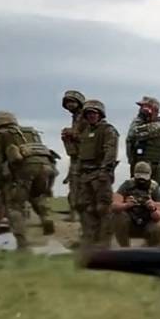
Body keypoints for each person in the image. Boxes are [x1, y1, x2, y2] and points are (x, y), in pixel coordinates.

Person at [0, 110, 57, 248]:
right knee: (37, 196)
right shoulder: (31, 132)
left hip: (23, 170)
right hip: (46, 167)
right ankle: (46, 217)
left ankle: (22, 244)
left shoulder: (0, 135)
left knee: (14, 207)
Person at [73, 99, 119, 250]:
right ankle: (90, 241)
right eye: (88, 113)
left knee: (103, 209)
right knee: (86, 209)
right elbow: (80, 154)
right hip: (85, 175)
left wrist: (104, 171)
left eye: (94, 113)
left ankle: (104, 244)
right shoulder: (85, 132)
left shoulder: (108, 130)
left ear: (100, 114)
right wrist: (77, 173)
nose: (91, 116)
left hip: (100, 174)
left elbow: (110, 151)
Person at [110, 161, 160, 246]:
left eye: (144, 177)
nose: (142, 180)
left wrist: (152, 208)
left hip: (147, 223)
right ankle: (125, 250)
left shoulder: (155, 188)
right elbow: (113, 206)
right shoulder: (127, 185)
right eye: (139, 176)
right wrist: (126, 205)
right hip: (130, 223)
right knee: (118, 217)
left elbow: (158, 216)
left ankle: (150, 252)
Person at [125, 96, 160, 186]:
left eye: (143, 107)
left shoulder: (158, 127)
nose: (141, 110)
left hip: (149, 170)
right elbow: (130, 139)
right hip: (140, 167)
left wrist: (140, 117)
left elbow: (133, 133)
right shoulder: (147, 124)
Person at [60, 89, 87, 221]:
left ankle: (76, 214)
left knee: (79, 185)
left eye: (72, 102)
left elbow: (88, 137)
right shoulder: (76, 117)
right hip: (77, 156)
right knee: (74, 184)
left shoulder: (85, 117)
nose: (70, 105)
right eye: (68, 102)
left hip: (86, 156)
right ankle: (74, 212)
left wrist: (72, 133)